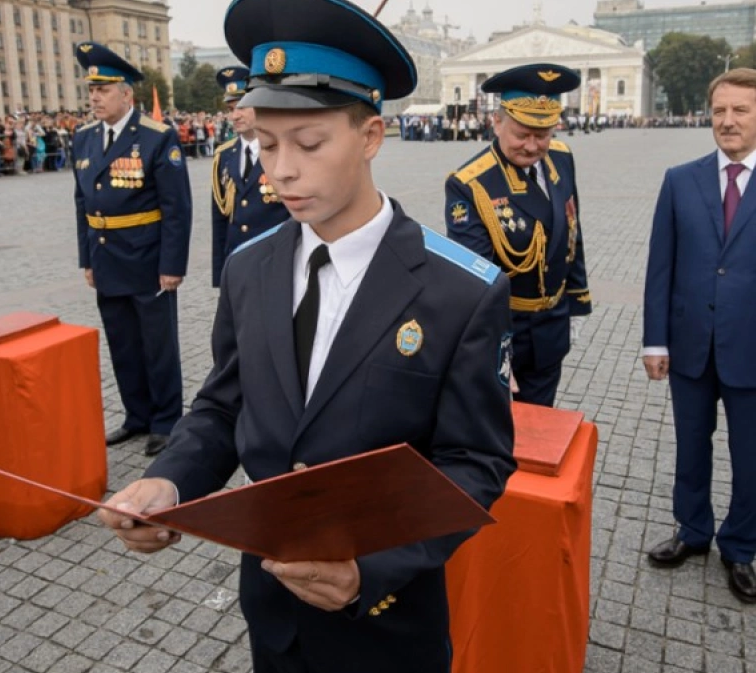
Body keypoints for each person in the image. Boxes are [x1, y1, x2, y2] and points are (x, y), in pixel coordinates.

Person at [97, 0, 516, 670]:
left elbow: (477, 463)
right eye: (266, 144)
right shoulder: (248, 267)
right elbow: (224, 404)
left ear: (372, 135)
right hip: (273, 617)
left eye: (309, 143)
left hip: (387, 626)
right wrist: (171, 481)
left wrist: (372, 568)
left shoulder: (460, 291)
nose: (279, 171)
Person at [641, 68, 756, 604]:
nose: (727, 121)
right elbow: (662, 267)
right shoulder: (681, 178)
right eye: (719, 110)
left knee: (753, 460)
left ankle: (741, 548)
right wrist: (656, 342)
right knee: (690, 448)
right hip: (691, 345)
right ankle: (693, 530)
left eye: (740, 110)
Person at [444, 64, 592, 407]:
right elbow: (475, 278)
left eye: (543, 134)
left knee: (541, 428)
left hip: (551, 328)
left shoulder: (562, 158)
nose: (532, 145)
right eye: (522, 133)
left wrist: (576, 305)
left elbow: (572, 231)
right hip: (506, 330)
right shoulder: (470, 183)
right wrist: (494, 349)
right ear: (496, 122)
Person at [71, 42, 191, 457]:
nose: (94, 98)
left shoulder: (157, 137)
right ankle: (137, 416)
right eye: (91, 91)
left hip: (147, 258)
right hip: (106, 258)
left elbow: (177, 208)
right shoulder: (83, 138)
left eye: (103, 90)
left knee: (157, 344)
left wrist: (172, 265)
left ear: (127, 94)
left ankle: (166, 419)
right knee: (122, 342)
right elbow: (81, 203)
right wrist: (87, 258)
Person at [210, 66, 290, 288]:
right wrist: (220, 275)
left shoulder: (283, 148)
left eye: (243, 107)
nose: (235, 115)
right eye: (231, 108)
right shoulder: (223, 155)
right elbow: (219, 220)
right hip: (237, 261)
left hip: (276, 259)